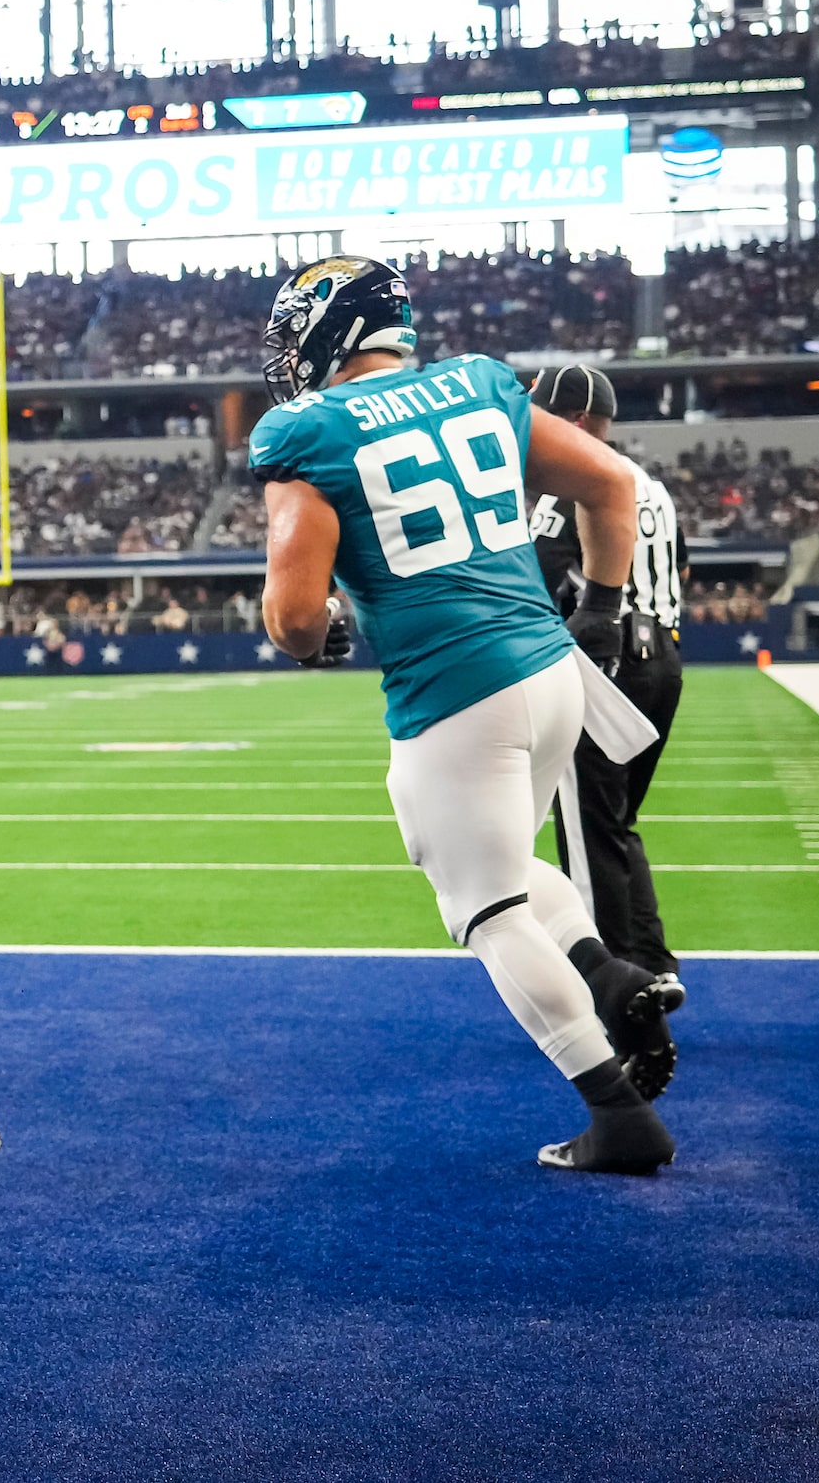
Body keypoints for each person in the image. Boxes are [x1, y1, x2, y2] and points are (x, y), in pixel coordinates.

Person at [249, 256, 679, 1173]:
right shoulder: (481, 384)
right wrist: (598, 613)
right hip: (552, 668)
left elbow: (292, 618)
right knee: (507, 861)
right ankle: (611, 974)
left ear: (330, 331)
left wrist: (313, 632)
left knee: (483, 908)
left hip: (454, 689)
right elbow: (613, 485)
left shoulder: (304, 431)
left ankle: (618, 1114)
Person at [526, 365, 688, 1054]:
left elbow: (535, 574)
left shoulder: (573, 481)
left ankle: (620, 992)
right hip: (661, 655)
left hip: (601, 659)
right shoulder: (647, 484)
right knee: (615, 826)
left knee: (587, 840)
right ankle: (650, 962)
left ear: (569, 419)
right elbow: (680, 569)